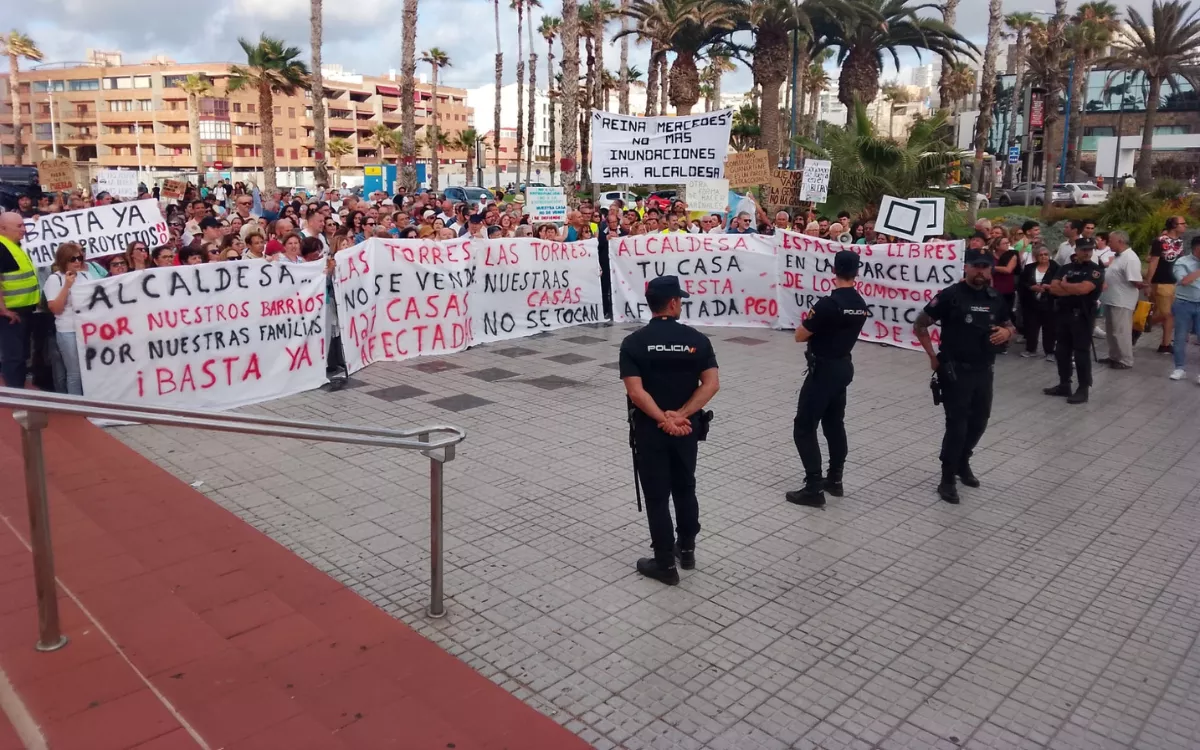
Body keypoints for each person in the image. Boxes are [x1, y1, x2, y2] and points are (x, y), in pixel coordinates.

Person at [619, 276, 720, 585]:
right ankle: (686, 549)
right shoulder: (698, 340)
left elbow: (636, 392)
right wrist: (683, 415)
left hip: (651, 430)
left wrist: (662, 418)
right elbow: (712, 384)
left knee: (657, 496)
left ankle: (664, 564)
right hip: (688, 428)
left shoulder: (633, 342)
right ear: (674, 303)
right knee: (685, 487)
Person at [914, 248, 1015, 504]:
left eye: (985, 266)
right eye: (976, 266)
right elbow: (920, 323)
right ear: (966, 268)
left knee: (979, 421)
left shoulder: (996, 298)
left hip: (984, 370)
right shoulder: (952, 296)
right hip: (955, 370)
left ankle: (963, 462)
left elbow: (1009, 323)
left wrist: (1008, 333)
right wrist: (932, 356)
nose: (981, 271)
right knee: (957, 426)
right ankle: (947, 478)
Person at [787, 250, 870, 508]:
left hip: (823, 370)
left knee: (804, 426)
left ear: (834, 271)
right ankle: (835, 479)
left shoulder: (827, 304)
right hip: (843, 366)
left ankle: (813, 487)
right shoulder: (860, 304)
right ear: (857, 272)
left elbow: (800, 335)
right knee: (834, 424)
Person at [1044, 238, 1104, 404]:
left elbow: (1084, 289)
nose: (1087, 253)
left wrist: (1066, 287)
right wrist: (1072, 289)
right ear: (1076, 250)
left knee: (1081, 353)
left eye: (1090, 250)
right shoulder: (1066, 268)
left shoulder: (1095, 270)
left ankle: (1083, 389)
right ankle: (1064, 384)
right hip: (1064, 313)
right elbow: (1054, 289)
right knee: (1062, 351)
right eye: (1084, 249)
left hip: (1082, 316)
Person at [42, 243, 90, 394]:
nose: (77, 261)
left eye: (79, 258)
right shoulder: (55, 279)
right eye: (73, 258)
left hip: (87, 330)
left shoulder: (86, 275)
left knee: (88, 370)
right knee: (75, 372)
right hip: (68, 331)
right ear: (63, 260)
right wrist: (67, 287)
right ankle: (75, 408)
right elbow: (55, 308)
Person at [0, 213, 41, 389]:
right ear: (3, 229)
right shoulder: (2, 248)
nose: (24, 230)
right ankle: (16, 397)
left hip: (24, 311)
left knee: (21, 356)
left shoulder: (13, 246)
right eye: (19, 226)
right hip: (12, 314)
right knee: (14, 357)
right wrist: (3, 310)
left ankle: (20, 393)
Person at [1099, 231, 1142, 370]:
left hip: (1122, 300)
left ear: (1120, 241)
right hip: (1112, 299)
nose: (1108, 243)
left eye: (1110, 240)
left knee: (1121, 331)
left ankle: (1126, 359)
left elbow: (1135, 280)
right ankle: (1114, 356)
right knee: (1111, 330)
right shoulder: (1118, 257)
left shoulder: (1130, 258)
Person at [1148, 216, 1187, 355]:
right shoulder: (1160, 241)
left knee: (1169, 315)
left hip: (1174, 282)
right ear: (1174, 226)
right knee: (1167, 314)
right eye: (1183, 223)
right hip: (1161, 282)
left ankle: (1165, 344)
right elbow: (1153, 262)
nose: (1186, 226)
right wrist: (1148, 283)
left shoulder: (1179, 242)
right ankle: (1139, 327)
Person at [1017, 246, 1059, 360]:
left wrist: (1049, 287)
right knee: (1031, 326)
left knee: (1050, 328)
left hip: (1049, 302)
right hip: (1031, 302)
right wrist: (1031, 287)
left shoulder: (1055, 267)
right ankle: (1031, 349)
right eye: (1041, 255)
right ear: (1036, 257)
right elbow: (1021, 283)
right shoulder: (1029, 268)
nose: (1044, 257)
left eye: (1046, 254)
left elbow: (1060, 285)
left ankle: (1050, 351)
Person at [1168, 236, 1200, 383]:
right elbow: (1185, 281)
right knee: (1180, 337)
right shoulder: (1182, 262)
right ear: (1196, 248)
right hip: (1183, 303)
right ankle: (1179, 368)